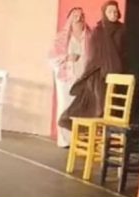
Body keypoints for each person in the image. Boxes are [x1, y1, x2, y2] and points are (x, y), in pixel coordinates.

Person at [59, 1, 125, 129]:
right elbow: (93, 57)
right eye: (110, 11)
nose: (113, 14)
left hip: (118, 75)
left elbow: (126, 54)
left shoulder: (123, 31)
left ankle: (103, 132)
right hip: (98, 74)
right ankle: (89, 129)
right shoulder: (98, 32)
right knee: (94, 95)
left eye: (115, 11)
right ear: (104, 13)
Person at [49, 7, 90, 148]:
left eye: (81, 15)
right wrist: (67, 57)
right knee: (65, 106)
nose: (79, 18)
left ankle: (79, 140)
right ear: (69, 19)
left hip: (84, 77)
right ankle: (65, 140)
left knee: (81, 108)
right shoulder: (62, 37)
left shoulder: (89, 36)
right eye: (75, 15)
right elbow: (52, 58)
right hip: (66, 77)